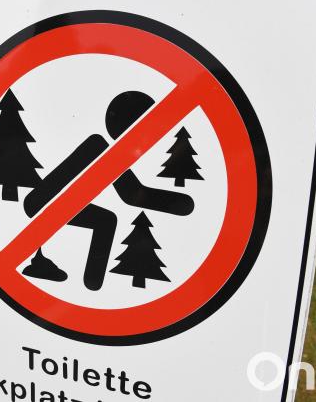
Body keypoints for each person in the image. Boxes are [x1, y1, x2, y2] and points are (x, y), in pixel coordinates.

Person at [24, 91, 193, 290]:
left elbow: (132, 194)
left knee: (106, 220)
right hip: (44, 206)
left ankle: (90, 281)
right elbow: (131, 195)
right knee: (106, 221)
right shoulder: (100, 147)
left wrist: (178, 203)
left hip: (45, 204)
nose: (151, 141)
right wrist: (179, 204)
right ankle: (91, 282)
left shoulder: (105, 148)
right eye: (148, 131)